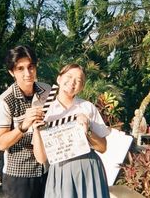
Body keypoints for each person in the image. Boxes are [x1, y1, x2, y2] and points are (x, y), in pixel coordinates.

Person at [32, 63, 111, 198]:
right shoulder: (46, 111)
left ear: (81, 87)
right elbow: (41, 158)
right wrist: (36, 130)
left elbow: (103, 147)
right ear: (59, 79)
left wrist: (88, 130)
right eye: (69, 76)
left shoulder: (87, 107)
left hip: (89, 168)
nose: (72, 82)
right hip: (61, 169)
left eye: (78, 80)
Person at [0, 45, 51, 198]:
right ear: (12, 72)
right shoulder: (4, 101)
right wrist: (23, 126)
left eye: (31, 67)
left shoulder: (47, 91)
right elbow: (0, 143)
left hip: (46, 170)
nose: (27, 73)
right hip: (19, 176)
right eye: (20, 68)